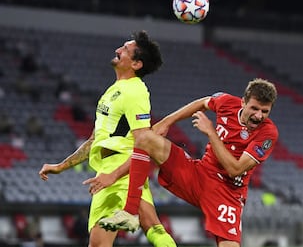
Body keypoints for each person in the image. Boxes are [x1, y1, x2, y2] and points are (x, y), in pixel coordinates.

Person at [96, 78, 278, 247]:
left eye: (265, 111)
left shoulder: (268, 134)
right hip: (198, 174)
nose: (259, 116)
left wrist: (210, 132)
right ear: (243, 102)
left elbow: (235, 169)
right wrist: (168, 121)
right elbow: (203, 102)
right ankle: (129, 213)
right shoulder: (226, 102)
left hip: (227, 194)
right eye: (254, 108)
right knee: (145, 139)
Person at [38, 30, 177, 247]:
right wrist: (61, 166)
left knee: (151, 225)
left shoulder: (136, 92)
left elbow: (145, 144)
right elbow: (95, 140)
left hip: (122, 171)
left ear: (136, 64)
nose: (118, 50)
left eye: (125, 49)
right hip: (105, 173)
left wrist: (114, 175)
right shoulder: (113, 91)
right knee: (104, 242)